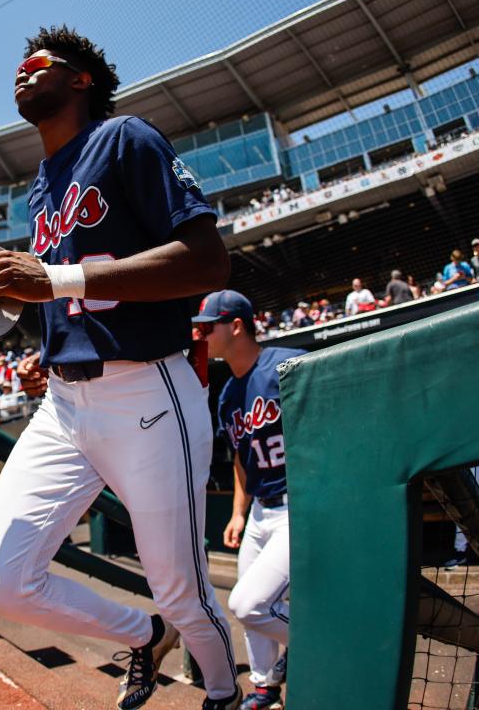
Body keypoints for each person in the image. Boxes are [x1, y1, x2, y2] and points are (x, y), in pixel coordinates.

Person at [0, 26, 240, 709]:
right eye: (17, 67)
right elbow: (81, 290)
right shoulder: (40, 187)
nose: (22, 73)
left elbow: (207, 263)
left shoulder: (125, 137)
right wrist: (50, 347)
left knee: (181, 587)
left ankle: (223, 691)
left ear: (81, 79)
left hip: (147, 393)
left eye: (37, 63)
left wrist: (55, 283)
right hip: (64, 404)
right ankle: (143, 636)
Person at [196, 290, 302, 710]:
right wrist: (239, 512)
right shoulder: (227, 396)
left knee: (250, 605)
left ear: (235, 325)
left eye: (208, 326)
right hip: (260, 510)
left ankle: (323, 641)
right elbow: (242, 461)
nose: (200, 333)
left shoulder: (287, 365)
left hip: (298, 506)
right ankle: (264, 689)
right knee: (251, 611)